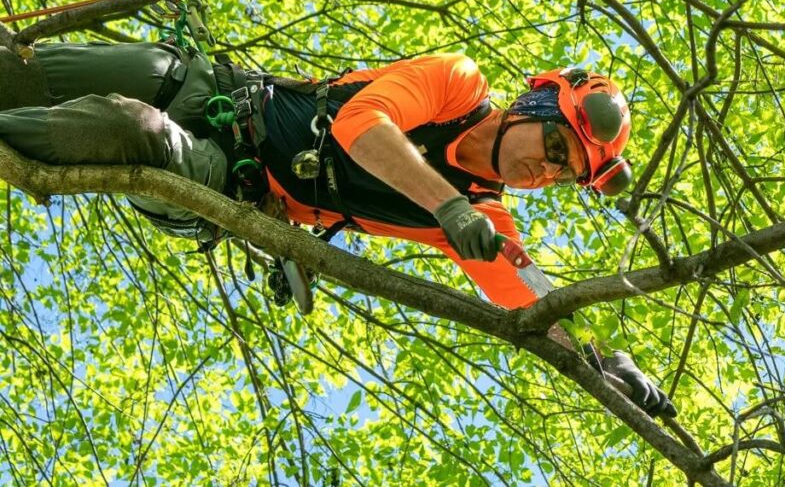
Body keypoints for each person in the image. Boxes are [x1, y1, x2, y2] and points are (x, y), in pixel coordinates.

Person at [0, 39, 676, 417]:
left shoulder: (484, 220)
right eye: (555, 149)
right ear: (534, 104)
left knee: (133, 131)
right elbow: (361, 124)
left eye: (560, 176)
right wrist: (448, 205)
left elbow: (535, 295)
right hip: (205, 84)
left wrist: (600, 357)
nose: (541, 171)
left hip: (226, 180)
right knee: (15, 69)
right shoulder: (456, 83)